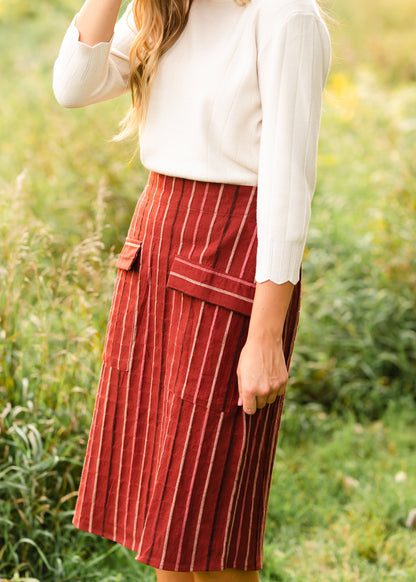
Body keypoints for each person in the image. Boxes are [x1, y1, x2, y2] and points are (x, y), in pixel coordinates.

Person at [53, 0, 331, 580]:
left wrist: (265, 336)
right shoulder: (164, 8)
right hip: (156, 239)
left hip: (232, 251)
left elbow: (287, 184)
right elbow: (72, 86)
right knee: (164, 518)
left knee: (211, 516)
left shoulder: (286, 16)